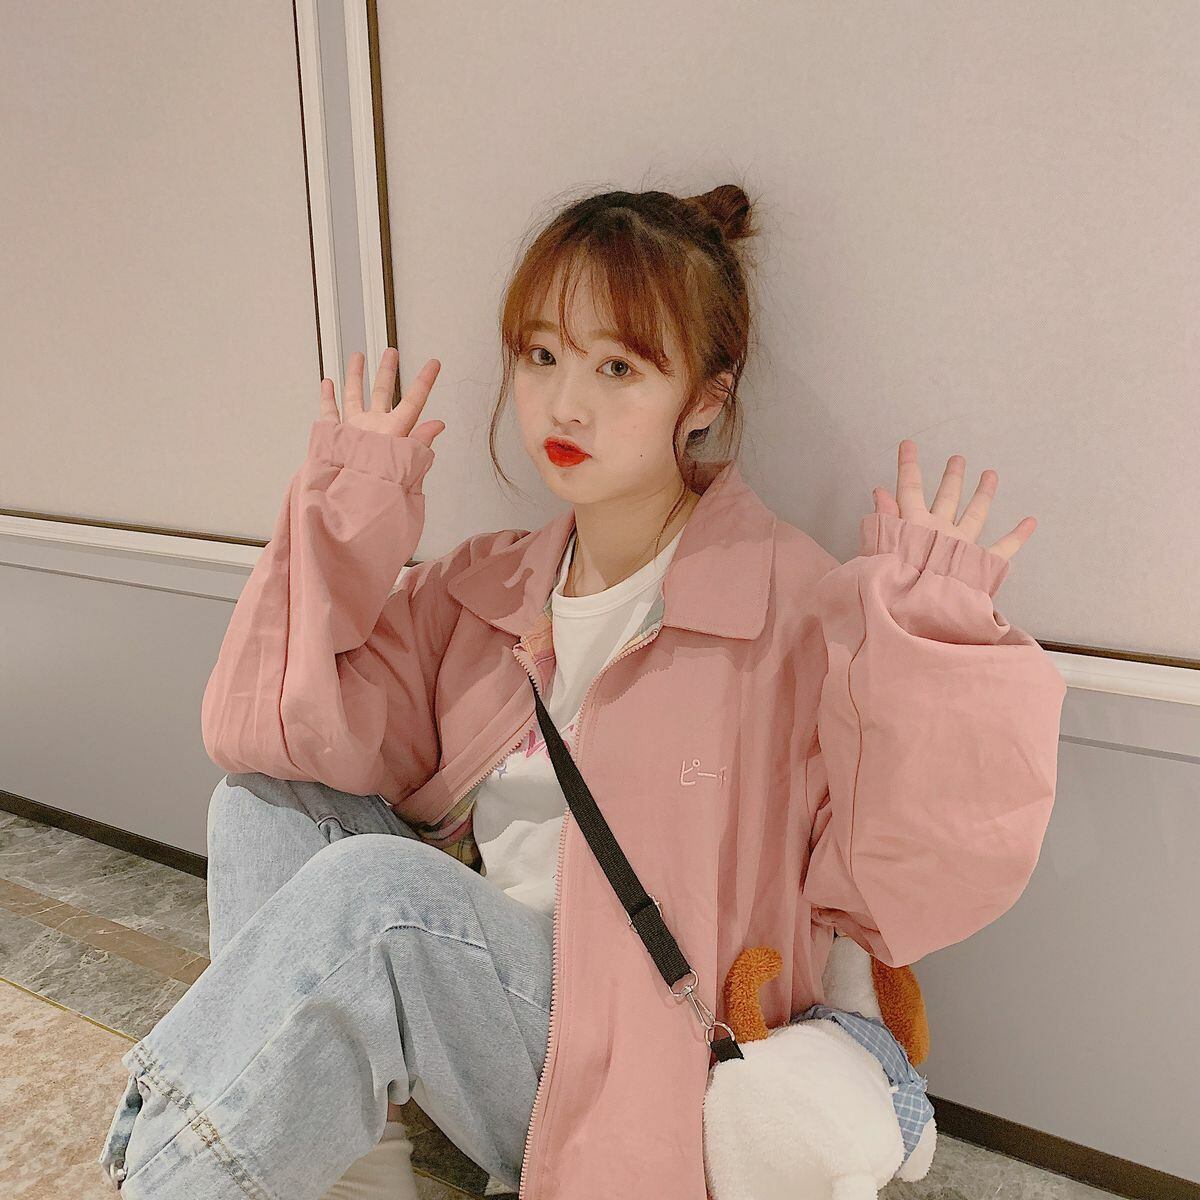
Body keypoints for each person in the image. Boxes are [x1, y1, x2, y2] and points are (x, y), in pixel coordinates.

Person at [98, 185, 1067, 1199]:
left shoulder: (787, 611)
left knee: (379, 902)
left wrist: (926, 645)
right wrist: (346, 518)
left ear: (706, 398)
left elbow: (896, 890)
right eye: (541, 355)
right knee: (261, 801)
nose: (566, 404)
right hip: (487, 1014)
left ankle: (175, 1175)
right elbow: (268, 730)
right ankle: (315, 1161)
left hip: (643, 1057)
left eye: (617, 368)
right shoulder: (483, 588)